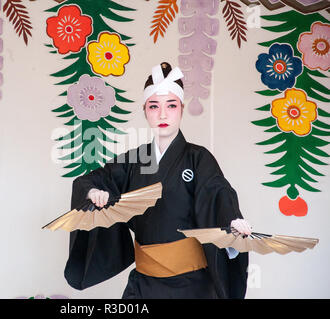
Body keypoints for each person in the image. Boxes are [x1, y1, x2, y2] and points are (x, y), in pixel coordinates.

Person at [64, 62, 251, 298]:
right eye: (154, 106)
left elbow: (217, 194)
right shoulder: (136, 160)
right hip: (144, 284)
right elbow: (92, 180)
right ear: (145, 110)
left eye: (171, 105)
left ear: (181, 109)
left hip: (193, 286)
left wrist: (231, 225)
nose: (162, 114)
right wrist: (93, 193)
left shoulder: (198, 158)